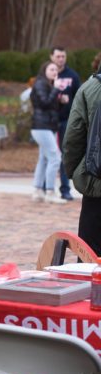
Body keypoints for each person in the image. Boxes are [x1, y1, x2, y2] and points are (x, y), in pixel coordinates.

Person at [63, 66, 101, 254]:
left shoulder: (89, 89)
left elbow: (74, 136)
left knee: (90, 255)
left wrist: (72, 171)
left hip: (96, 180)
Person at [30, 61, 67, 204]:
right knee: (55, 157)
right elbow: (44, 103)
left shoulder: (48, 85)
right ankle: (50, 192)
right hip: (41, 127)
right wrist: (56, 90)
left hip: (47, 126)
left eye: (56, 70)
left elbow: (49, 106)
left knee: (44, 158)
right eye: (51, 69)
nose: (54, 72)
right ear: (44, 70)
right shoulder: (40, 84)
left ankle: (38, 190)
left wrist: (60, 101)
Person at [51, 46, 81, 200]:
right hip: (48, 122)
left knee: (64, 155)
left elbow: (79, 98)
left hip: (66, 121)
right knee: (47, 156)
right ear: (52, 57)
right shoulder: (48, 74)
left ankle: (65, 189)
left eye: (63, 56)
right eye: (58, 56)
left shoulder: (72, 76)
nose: (61, 59)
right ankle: (44, 188)